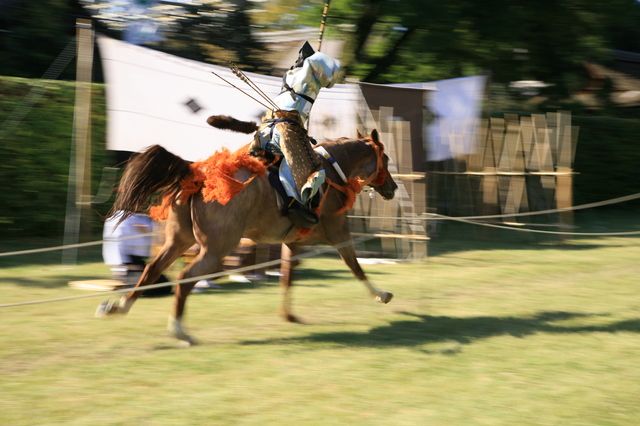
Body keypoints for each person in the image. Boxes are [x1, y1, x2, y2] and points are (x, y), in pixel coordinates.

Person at [251, 41, 342, 226]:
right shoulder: (307, 70)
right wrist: (318, 56)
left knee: (282, 163)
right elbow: (331, 75)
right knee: (311, 167)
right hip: (285, 131)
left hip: (264, 132)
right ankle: (294, 204)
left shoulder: (290, 77)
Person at [102, 211, 171, 296]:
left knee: (162, 282)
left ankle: (130, 286)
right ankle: (129, 287)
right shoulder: (134, 219)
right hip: (127, 268)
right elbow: (154, 233)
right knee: (164, 286)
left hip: (123, 267)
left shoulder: (118, 217)